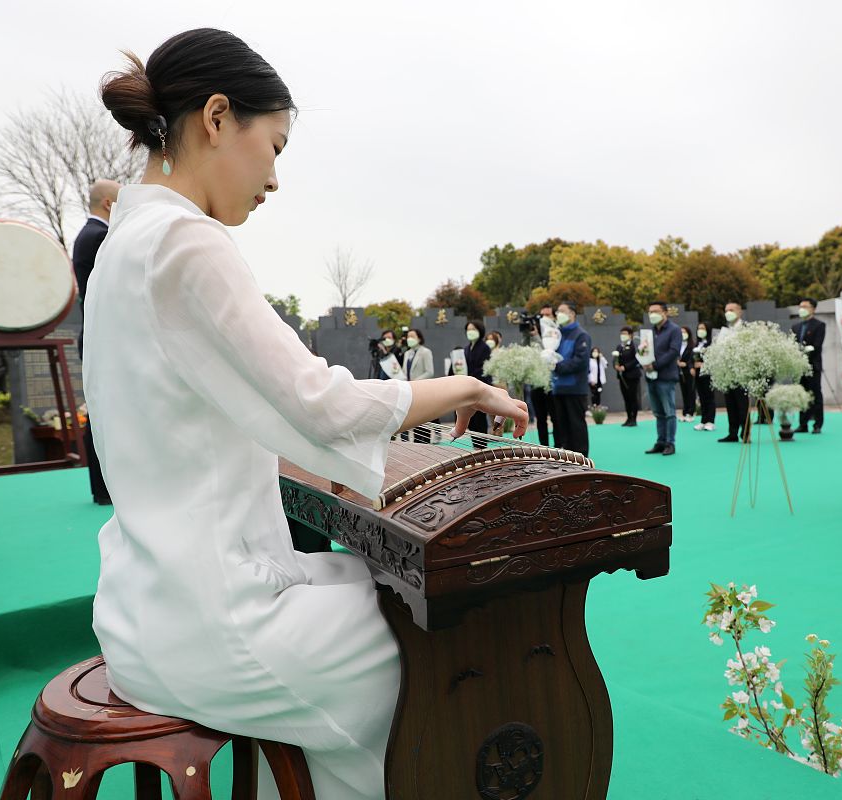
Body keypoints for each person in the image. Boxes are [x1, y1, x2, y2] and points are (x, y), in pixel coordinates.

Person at [88, 30, 528, 800]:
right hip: (213, 626)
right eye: (276, 145)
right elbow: (319, 402)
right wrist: (464, 388)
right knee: (447, 652)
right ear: (218, 117)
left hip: (141, 606)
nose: (276, 178)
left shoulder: (125, 238)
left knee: (370, 587)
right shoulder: (187, 242)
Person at [72, 178, 121, 506]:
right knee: (107, 413)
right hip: (105, 337)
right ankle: (107, 488)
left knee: (103, 411)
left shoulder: (84, 236)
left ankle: (104, 488)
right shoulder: (100, 237)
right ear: (107, 204)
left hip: (95, 335)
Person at [549, 302, 591, 455]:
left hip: (575, 389)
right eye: (557, 311)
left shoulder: (581, 335)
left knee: (576, 425)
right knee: (562, 426)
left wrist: (557, 366)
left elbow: (580, 361)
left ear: (572, 314)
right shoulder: (556, 335)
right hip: (558, 388)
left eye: (562, 311)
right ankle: (567, 459)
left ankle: (582, 458)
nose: (558, 314)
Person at [644, 301, 680, 455]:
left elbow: (673, 351)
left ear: (665, 313)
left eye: (656, 311)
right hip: (651, 377)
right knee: (658, 412)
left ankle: (670, 443)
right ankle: (660, 441)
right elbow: (643, 351)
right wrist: (644, 362)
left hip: (666, 377)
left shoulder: (674, 330)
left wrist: (655, 365)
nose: (652, 314)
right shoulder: (649, 333)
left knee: (669, 412)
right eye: (650, 311)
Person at [792, 298, 825, 434]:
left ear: (813, 309)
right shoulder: (796, 327)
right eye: (800, 306)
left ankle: (817, 424)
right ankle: (803, 424)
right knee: (802, 395)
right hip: (799, 367)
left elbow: (817, 346)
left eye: (805, 306)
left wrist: (805, 353)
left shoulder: (819, 325)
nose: (802, 309)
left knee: (815, 394)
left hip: (813, 366)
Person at [458, 320, 494, 440]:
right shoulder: (466, 349)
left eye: (473, 329)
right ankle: (476, 446)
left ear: (480, 331)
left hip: (480, 386)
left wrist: (469, 377)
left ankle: (481, 447)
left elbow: (484, 369)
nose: (470, 332)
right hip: (468, 388)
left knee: (480, 417)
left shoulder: (484, 348)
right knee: (472, 419)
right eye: (468, 330)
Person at [717, 303, 748, 442]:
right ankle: (733, 432)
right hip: (727, 372)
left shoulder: (746, 329)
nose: (728, 312)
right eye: (726, 310)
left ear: (740, 312)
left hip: (741, 372)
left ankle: (746, 432)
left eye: (731, 310)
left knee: (742, 404)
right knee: (730, 403)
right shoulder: (726, 331)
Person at [402, 328, 435, 443]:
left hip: (422, 390)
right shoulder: (407, 353)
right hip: (410, 390)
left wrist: (416, 381)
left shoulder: (425, 352)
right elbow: (404, 371)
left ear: (419, 338)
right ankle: (417, 443)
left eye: (412, 336)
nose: (409, 339)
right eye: (408, 337)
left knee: (424, 420)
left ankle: (425, 444)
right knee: (414, 420)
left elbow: (429, 371)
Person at [529, 304, 555, 445]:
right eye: (542, 316)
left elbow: (547, 352)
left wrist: (538, 337)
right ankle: (544, 446)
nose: (545, 319)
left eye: (548, 315)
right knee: (541, 418)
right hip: (537, 383)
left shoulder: (555, 334)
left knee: (556, 417)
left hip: (552, 384)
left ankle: (559, 447)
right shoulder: (531, 336)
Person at [615, 326, 642, 426]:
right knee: (626, 397)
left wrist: (625, 367)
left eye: (625, 333)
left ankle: (633, 418)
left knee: (632, 397)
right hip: (622, 376)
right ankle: (628, 417)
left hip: (632, 375)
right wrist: (616, 365)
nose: (623, 336)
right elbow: (616, 359)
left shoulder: (634, 346)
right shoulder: (619, 347)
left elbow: (637, 359)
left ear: (630, 335)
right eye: (621, 334)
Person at [692, 321, 715, 431]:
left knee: (709, 397)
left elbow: (715, 358)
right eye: (699, 328)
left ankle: (710, 421)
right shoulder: (697, 344)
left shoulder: (712, 343)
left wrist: (704, 364)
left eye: (703, 328)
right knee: (702, 397)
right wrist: (693, 365)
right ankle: (703, 420)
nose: (700, 331)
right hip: (698, 374)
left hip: (708, 374)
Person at [677, 326, 697, 422]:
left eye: (684, 332)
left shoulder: (691, 346)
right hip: (680, 372)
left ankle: (691, 412)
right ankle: (685, 412)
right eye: (681, 332)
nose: (682, 334)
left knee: (691, 392)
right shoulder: (678, 345)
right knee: (684, 392)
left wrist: (686, 364)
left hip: (689, 371)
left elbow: (691, 358)